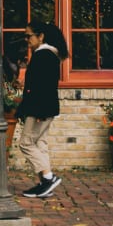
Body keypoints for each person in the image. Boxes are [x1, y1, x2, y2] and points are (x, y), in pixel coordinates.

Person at [16, 18, 67, 199]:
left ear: (41, 36)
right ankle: (45, 185)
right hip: (45, 107)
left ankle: (48, 177)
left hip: (39, 108)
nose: (27, 40)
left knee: (26, 143)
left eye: (29, 36)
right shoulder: (50, 55)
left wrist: (38, 111)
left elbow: (42, 86)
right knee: (39, 143)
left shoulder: (42, 56)